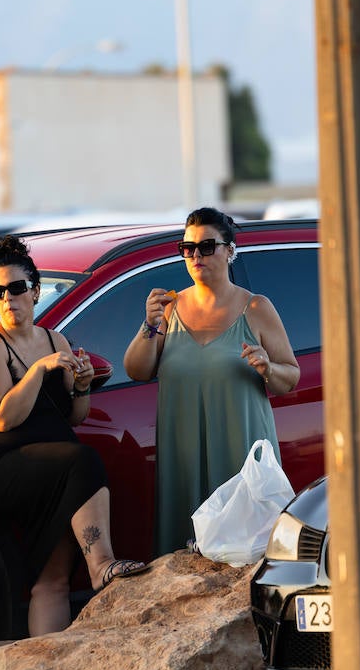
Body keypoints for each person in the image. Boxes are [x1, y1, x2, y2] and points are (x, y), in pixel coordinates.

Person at [0, 235, 147, 636]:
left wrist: (80, 384)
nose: (8, 299)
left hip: (52, 469)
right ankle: (102, 565)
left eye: (16, 288)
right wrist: (38, 370)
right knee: (84, 460)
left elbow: (75, 417)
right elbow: (1, 418)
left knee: (52, 577)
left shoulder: (55, 339)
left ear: (35, 291)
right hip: (0, 467)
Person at [124, 207, 300, 556]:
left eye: (207, 246)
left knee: (242, 554)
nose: (196, 256)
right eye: (187, 248)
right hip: (183, 455)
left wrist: (268, 368)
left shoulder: (256, 308)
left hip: (240, 452)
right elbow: (136, 370)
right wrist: (149, 323)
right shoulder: (170, 309)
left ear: (229, 250)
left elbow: (290, 377)